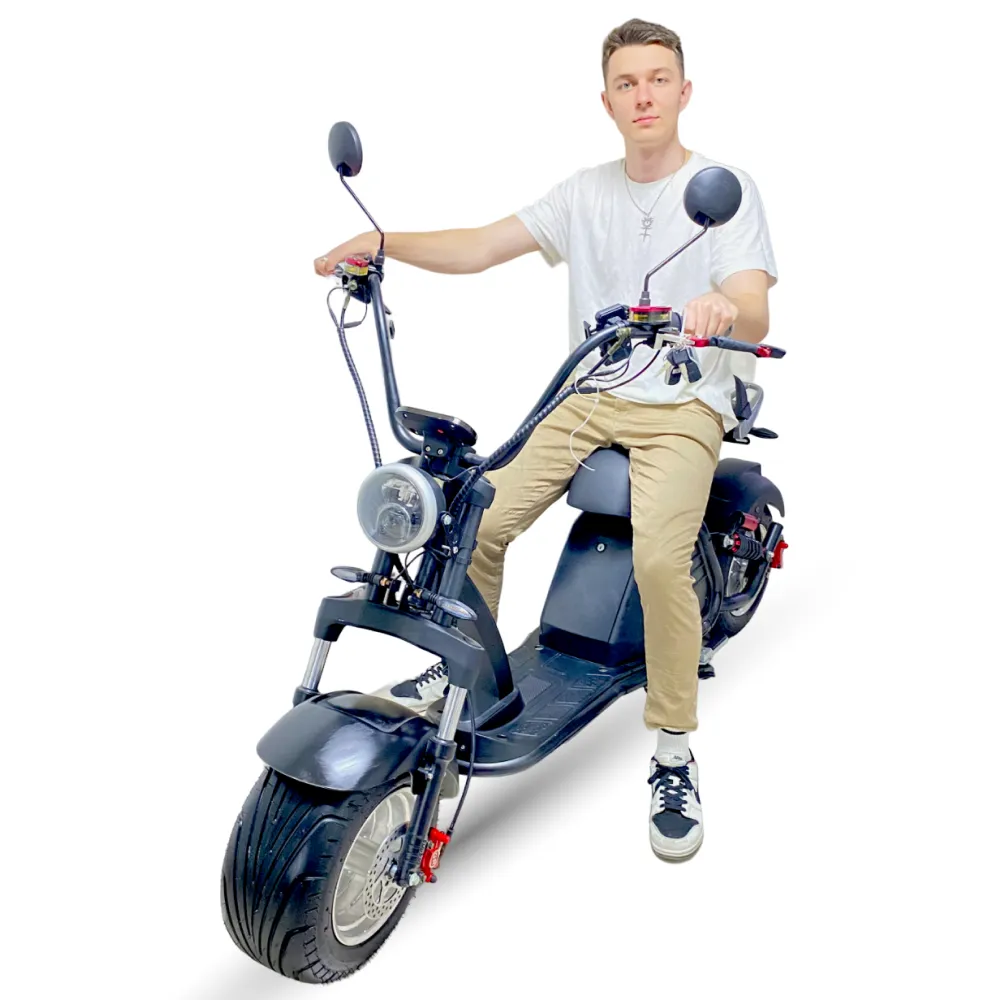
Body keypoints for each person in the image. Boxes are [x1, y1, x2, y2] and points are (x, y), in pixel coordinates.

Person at [314, 17, 778, 862]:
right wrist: (384, 243)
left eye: (658, 79)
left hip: (683, 403)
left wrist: (722, 308)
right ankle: (465, 673)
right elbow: (482, 245)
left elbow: (753, 304)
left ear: (684, 91)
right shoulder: (584, 193)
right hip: (589, 394)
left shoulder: (721, 189)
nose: (644, 95)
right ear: (607, 101)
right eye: (627, 83)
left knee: (658, 560)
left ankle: (673, 746)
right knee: (476, 519)